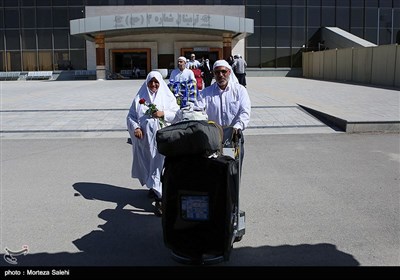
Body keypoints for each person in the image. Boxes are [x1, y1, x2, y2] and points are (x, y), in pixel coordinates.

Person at [127, 71, 180, 216]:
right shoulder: (140, 97)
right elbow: (131, 116)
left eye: (156, 82)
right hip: (145, 141)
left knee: (160, 166)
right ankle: (153, 188)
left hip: (163, 139)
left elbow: (177, 114)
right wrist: (136, 127)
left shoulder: (167, 96)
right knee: (148, 164)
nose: (154, 85)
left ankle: (160, 198)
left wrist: (163, 113)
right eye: (151, 82)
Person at [198, 59, 251, 168]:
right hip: (212, 139)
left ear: (229, 72)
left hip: (231, 138)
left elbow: (245, 111)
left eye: (223, 72)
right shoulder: (206, 92)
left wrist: (236, 128)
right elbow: (198, 110)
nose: (220, 75)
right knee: (213, 170)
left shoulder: (239, 90)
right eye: (217, 72)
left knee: (230, 170)